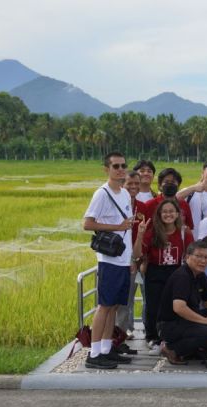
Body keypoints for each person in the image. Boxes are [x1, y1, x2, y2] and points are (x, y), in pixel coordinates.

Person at [83, 152, 135, 369]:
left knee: (113, 306)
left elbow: (127, 226)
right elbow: (88, 224)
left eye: (123, 165)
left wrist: (131, 257)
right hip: (109, 260)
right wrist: (117, 227)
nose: (120, 169)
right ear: (107, 169)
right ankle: (94, 354)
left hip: (123, 259)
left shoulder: (124, 193)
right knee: (104, 307)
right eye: (115, 166)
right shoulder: (101, 194)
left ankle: (106, 348)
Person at [157, 240, 207, 365]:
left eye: (206, 257)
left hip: (187, 320)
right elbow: (179, 308)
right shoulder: (182, 276)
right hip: (170, 324)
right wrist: (206, 321)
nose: (203, 261)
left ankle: (193, 349)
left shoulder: (200, 275)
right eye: (198, 256)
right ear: (187, 257)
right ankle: (172, 349)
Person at [133, 199, 194, 355]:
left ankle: (171, 337)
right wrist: (139, 235)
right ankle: (153, 338)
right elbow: (137, 254)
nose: (168, 214)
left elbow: (190, 254)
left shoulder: (184, 232)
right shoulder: (152, 232)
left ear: (177, 214)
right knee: (154, 306)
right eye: (164, 212)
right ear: (159, 215)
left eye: (171, 211)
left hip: (176, 272)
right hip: (155, 271)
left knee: (174, 306)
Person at [116, 170, 146, 336]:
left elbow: (147, 232)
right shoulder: (117, 204)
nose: (133, 187)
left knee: (137, 298)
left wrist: (140, 257)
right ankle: (120, 333)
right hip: (121, 258)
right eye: (130, 184)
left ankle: (126, 329)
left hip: (140, 256)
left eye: (137, 184)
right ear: (122, 184)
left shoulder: (142, 207)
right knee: (123, 299)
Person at [177, 160, 207, 239]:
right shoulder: (190, 192)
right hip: (188, 239)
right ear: (202, 173)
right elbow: (173, 199)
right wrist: (193, 188)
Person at [141, 168, 194, 232]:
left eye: (173, 182)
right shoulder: (149, 205)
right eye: (166, 182)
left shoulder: (184, 204)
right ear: (160, 185)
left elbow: (189, 228)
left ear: (178, 186)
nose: (170, 184)